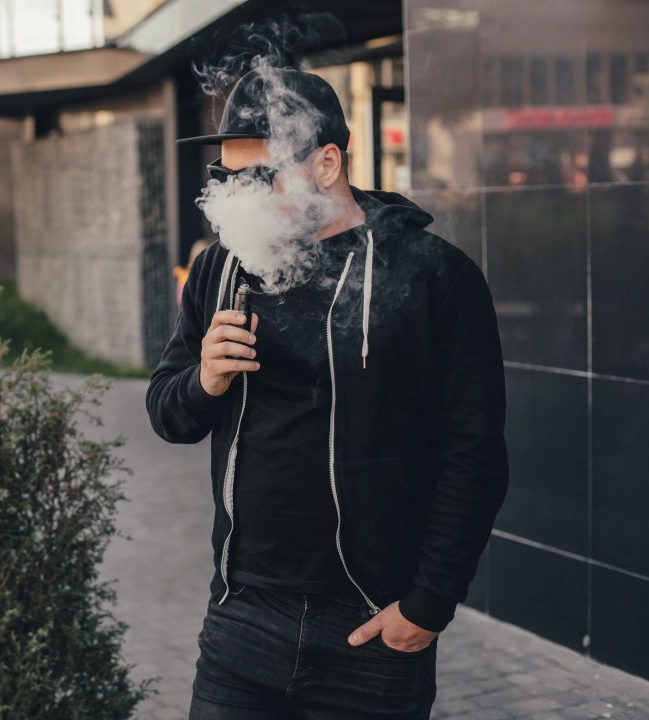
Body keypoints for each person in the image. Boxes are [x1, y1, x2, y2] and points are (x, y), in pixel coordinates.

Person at [144, 66, 509, 719]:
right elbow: (167, 413)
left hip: (371, 634)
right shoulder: (220, 267)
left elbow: (473, 457)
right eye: (227, 179)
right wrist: (203, 381)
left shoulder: (434, 278)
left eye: (258, 178)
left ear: (327, 164)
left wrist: (426, 607)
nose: (235, 199)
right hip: (241, 621)